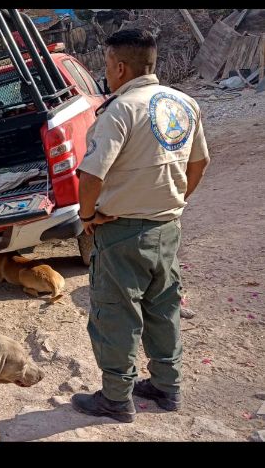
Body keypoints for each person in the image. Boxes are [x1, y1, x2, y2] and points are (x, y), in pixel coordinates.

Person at [71, 29, 210, 422]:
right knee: (163, 308)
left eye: (106, 65)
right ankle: (168, 386)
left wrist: (87, 217)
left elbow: (91, 176)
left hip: (122, 231)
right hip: (167, 227)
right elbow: (200, 162)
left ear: (120, 67)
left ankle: (116, 398)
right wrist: (175, 201)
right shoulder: (184, 103)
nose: (105, 73)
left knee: (116, 313)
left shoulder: (120, 110)